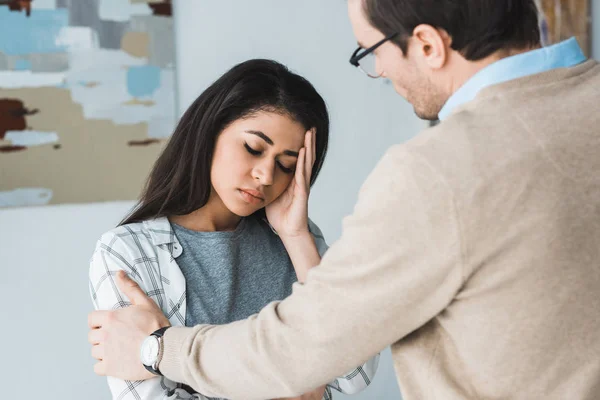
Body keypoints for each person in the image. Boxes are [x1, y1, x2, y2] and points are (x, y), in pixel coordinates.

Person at [88, 1, 600, 399]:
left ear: (426, 44)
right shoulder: (129, 251)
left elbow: (324, 357)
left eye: (370, 50)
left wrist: (155, 347)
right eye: (253, 147)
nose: (378, 71)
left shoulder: (436, 172)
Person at [88, 59, 379, 400]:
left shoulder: (298, 240)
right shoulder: (128, 253)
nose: (266, 176)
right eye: (253, 149)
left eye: (285, 165)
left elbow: (353, 373)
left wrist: (297, 239)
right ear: (211, 131)